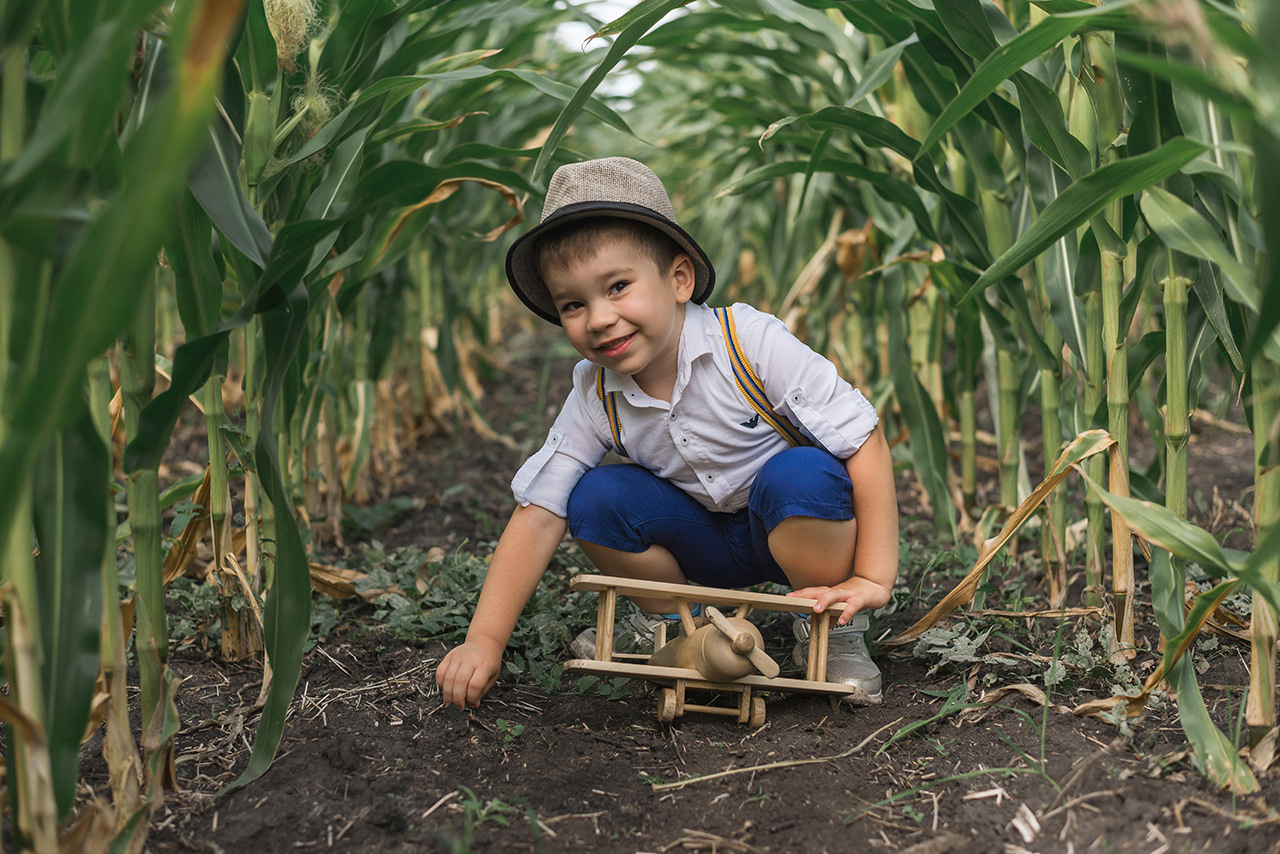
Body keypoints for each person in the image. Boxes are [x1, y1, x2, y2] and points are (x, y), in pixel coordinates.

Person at [436, 156, 898, 710]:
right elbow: (539, 511)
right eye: (573, 305)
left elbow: (862, 437)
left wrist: (873, 575)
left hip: (789, 533)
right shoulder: (595, 391)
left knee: (803, 473)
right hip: (697, 541)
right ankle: (676, 619)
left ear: (679, 279)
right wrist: (483, 641)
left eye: (618, 287)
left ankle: (828, 624)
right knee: (595, 497)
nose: (599, 318)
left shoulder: (747, 341)